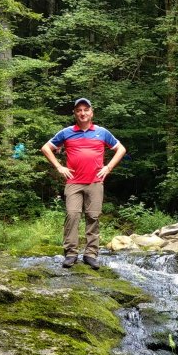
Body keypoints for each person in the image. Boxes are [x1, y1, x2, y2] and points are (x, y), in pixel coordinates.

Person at [41, 98, 126, 269]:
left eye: (86, 109)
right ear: (75, 113)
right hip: (74, 182)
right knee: (72, 215)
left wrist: (108, 168)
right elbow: (46, 148)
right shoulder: (66, 132)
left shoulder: (102, 132)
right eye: (79, 110)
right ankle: (71, 254)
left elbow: (121, 149)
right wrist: (59, 167)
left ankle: (90, 254)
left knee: (93, 217)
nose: (82, 113)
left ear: (91, 112)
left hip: (95, 182)